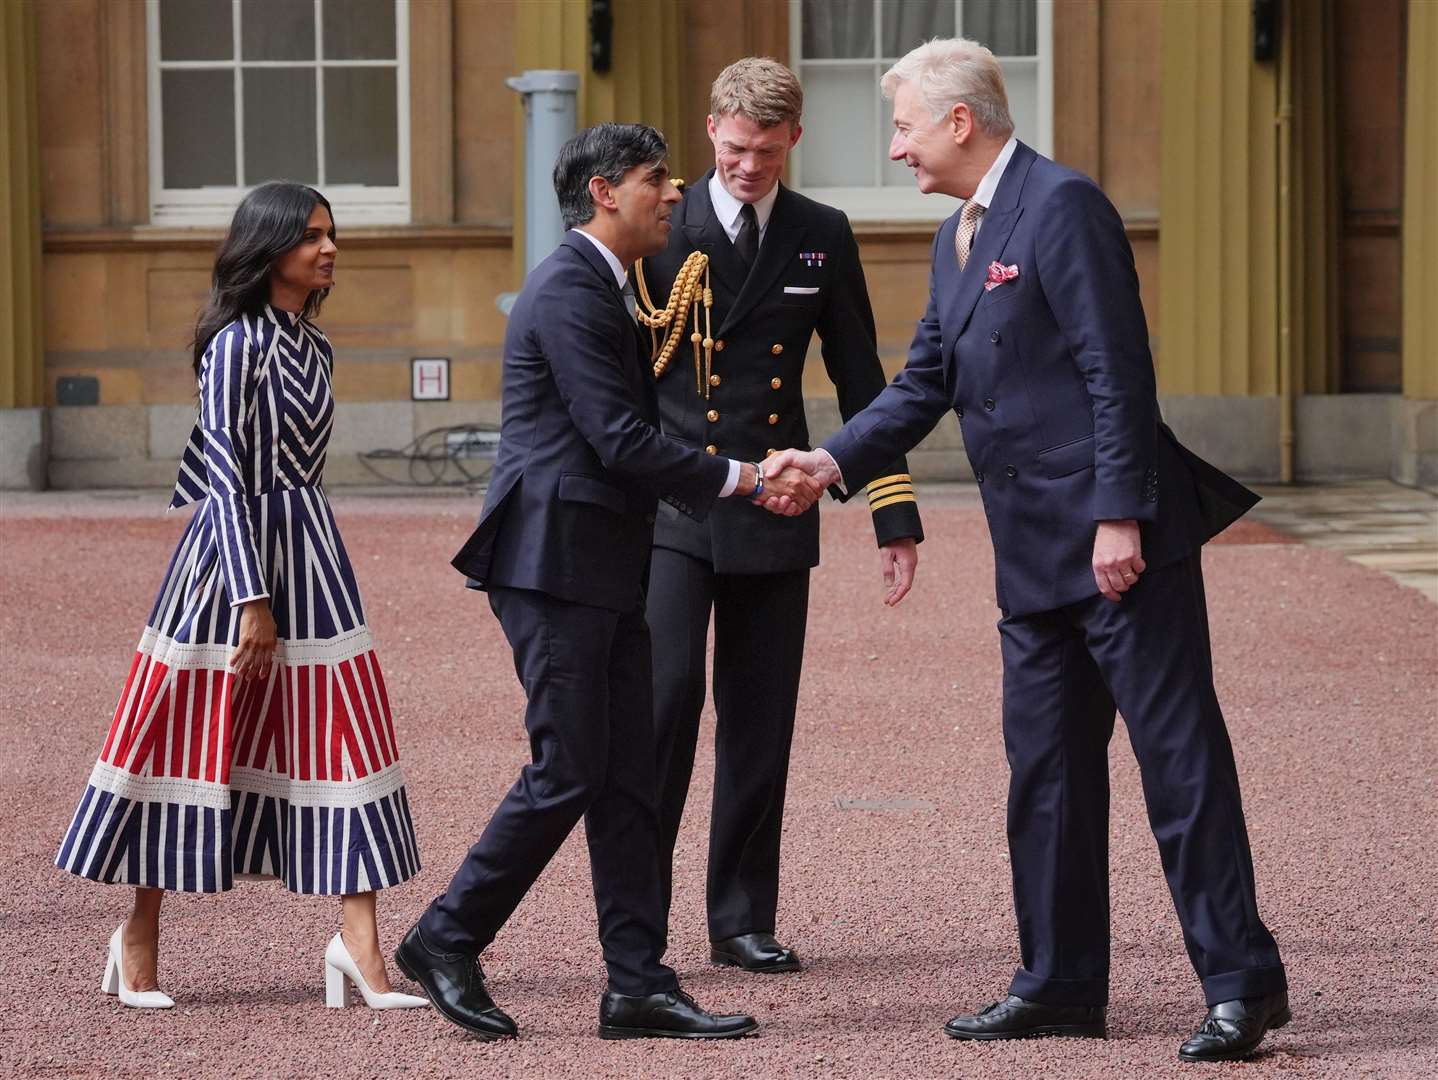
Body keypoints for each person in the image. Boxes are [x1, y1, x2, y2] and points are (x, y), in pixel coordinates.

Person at [768, 38, 1290, 1063]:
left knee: (1178, 768)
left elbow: (1115, 368)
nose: (897, 147)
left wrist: (1120, 515)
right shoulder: (954, 237)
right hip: (1030, 559)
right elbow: (923, 384)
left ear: (960, 121)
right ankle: (1058, 982)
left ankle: (1241, 986)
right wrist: (829, 462)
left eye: (907, 126)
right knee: (1044, 773)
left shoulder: (1064, 206)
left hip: (1116, 550)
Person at [395, 123, 818, 1042]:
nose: (674, 194)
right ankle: (446, 935)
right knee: (571, 770)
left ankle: (637, 983)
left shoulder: (608, 285)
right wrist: (747, 478)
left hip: (602, 566)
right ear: (603, 191)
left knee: (628, 776)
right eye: (656, 179)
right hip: (553, 569)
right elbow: (619, 439)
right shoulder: (569, 289)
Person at [55, 182, 427, 1012]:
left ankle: (360, 949)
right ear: (267, 249)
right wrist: (251, 597)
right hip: (229, 564)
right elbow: (219, 468)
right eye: (311, 237)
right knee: (181, 737)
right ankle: (138, 937)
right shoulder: (235, 343)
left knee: (344, 737)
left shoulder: (315, 346)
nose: (329, 249)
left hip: (312, 553)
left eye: (332, 235)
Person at [631, 57, 924, 975]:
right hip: (672, 505)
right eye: (731, 148)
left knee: (760, 722)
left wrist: (892, 512)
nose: (746, 166)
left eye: (764, 151)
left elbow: (861, 380)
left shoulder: (820, 234)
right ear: (709, 127)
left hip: (779, 502)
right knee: (662, 711)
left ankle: (742, 917)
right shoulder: (655, 225)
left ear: (793, 139)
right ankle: (636, 919)